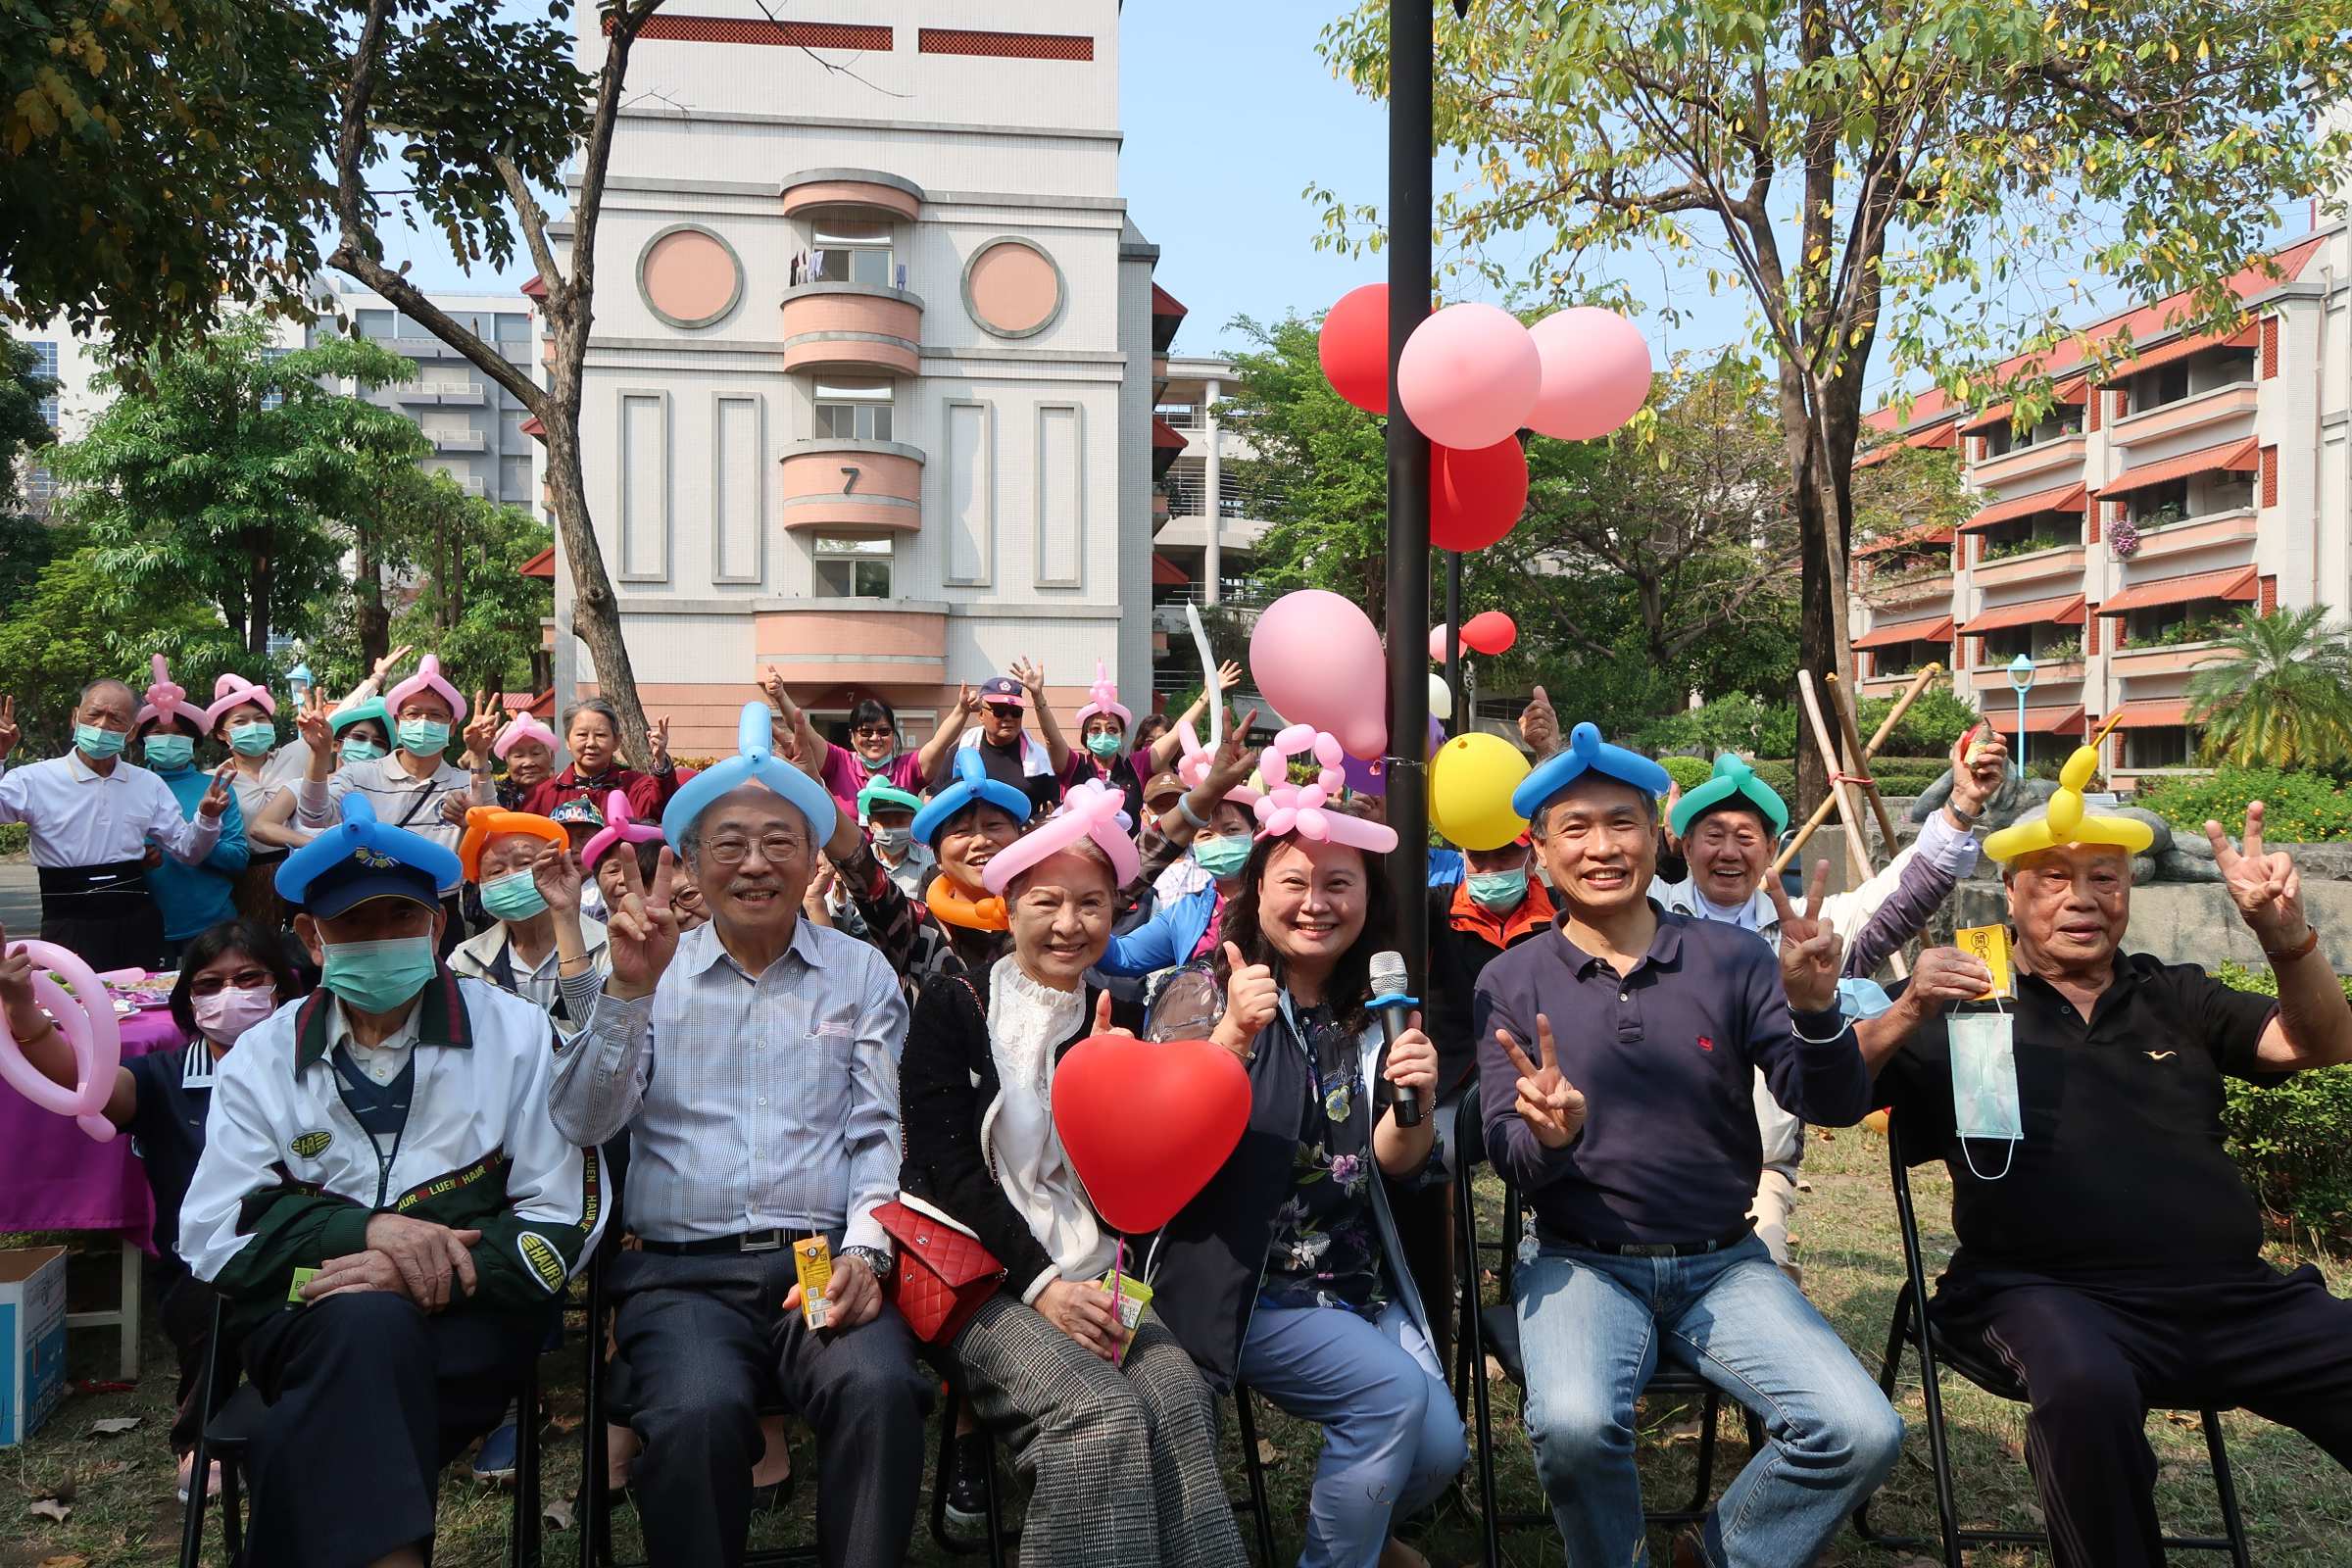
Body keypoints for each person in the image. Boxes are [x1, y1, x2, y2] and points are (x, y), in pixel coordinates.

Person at [1860, 748, 2352, 1568]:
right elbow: (1828, 1095)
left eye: (2106, 878)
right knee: (2085, 1385)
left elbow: (2321, 1044)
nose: (2082, 899)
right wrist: (1900, 1010)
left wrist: (2286, 936)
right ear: (2010, 892)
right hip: (2040, 1296)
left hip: (2231, 1300)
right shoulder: (1957, 998)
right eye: (2052, 878)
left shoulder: (2176, 992)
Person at [1474, 722, 1901, 1567]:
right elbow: (1506, 1152)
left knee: (1861, 1429)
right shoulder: (1511, 980)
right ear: (1539, 851)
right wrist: (1550, 1138)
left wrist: (1817, 1014)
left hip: (1725, 1261)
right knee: (1570, 1424)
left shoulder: (1732, 958)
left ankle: (1719, 1554)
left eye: (1622, 823)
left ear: (1655, 837)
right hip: (1577, 1258)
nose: (1602, 847)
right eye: (1576, 828)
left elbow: (1829, 1101)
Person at [548, 703, 931, 1568]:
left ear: (810, 859)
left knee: (880, 1390)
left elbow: (879, 1133)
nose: (755, 863)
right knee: (694, 1415)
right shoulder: (647, 964)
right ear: (687, 860)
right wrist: (627, 997)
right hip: (683, 1274)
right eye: (729, 844)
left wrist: (868, 1257)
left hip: (819, 1259)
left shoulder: (858, 971)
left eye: (778, 842)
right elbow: (582, 1122)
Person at [177, 795, 605, 1568]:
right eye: (354, 925)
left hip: (471, 1322)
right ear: (310, 938)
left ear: (437, 928)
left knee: (322, 1401)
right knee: (365, 1335)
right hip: (301, 1318)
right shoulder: (262, 1059)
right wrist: (367, 1232)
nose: (381, 940)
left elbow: (563, 1211)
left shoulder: (515, 1036)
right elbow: (213, 1231)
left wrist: (416, 1276)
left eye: (401, 921)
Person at [899, 798, 1249, 1568]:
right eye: (1046, 902)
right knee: (1099, 1415)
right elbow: (942, 1167)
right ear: (1008, 906)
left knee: (1180, 1398)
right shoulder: (955, 1007)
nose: (1068, 924)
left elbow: (1147, 1175)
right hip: (988, 1281)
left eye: (1090, 903)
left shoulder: (1122, 1013)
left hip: (1098, 1269)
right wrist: (1044, 1284)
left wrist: (1116, 1095)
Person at [1152, 801, 1467, 1568]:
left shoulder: (1380, 1009)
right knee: (1388, 1397)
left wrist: (1414, 1099)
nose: (1316, 903)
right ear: (1257, 889)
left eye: (1339, 883)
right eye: (1294, 881)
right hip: (1249, 1282)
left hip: (1354, 1278)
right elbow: (1160, 1142)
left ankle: (1364, 1528)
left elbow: (1397, 1160)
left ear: (1370, 898)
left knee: (1439, 1452)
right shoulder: (1198, 992)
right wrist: (1230, 1043)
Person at [1652, 730, 2007, 1280]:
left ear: (1771, 851)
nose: (1728, 851)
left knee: (1755, 1284)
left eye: (1746, 836)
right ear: (1686, 845)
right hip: (1642, 1161)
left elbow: (1903, 892)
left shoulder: (1810, 930)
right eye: (1712, 834)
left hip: (1753, 1173)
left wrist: (1962, 805)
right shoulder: (1645, 914)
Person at [2, 916, 303, 1501]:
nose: (230, 995)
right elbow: (83, 1082)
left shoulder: (319, 1067)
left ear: (281, 987)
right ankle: (202, 1443)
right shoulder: (163, 1078)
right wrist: (22, 1009)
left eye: (248, 978)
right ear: (188, 999)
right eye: (210, 984)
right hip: (207, 1270)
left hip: (313, 1255)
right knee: (212, 1301)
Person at [0, 678, 232, 970]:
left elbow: (189, 851)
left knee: (140, 1003)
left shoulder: (147, 783)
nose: (101, 726)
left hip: (136, 920)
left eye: (115, 719)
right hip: (67, 918)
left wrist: (207, 818)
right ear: (75, 718)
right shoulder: (34, 779)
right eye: (93, 715)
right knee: (73, 1004)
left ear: (131, 730)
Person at [131, 662, 250, 963]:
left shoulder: (216, 788)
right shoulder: (128, 787)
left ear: (193, 744)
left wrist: (195, 838)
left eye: (178, 734)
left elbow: (237, 858)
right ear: (143, 739)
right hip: (145, 925)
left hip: (212, 927)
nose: (167, 739)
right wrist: (137, 860)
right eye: (158, 732)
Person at [449, 807, 608, 1026]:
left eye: (524, 863)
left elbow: (606, 1035)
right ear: (481, 887)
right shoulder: (464, 961)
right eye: (496, 871)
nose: (511, 875)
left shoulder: (607, 946)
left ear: (558, 864)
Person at [209, 674, 318, 929]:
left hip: (302, 867)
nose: (253, 726)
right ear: (223, 734)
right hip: (247, 878)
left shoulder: (296, 754)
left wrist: (376, 679)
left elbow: (340, 717)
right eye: (241, 721)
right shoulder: (214, 780)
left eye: (260, 719)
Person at [925, 663, 1066, 816]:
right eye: (999, 711)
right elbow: (932, 800)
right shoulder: (960, 752)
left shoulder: (1040, 759)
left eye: (1015, 712)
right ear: (981, 716)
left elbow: (1055, 811)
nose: (1008, 718)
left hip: (1025, 839)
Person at [514, 697, 681, 818]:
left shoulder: (634, 786)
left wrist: (660, 762)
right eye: (582, 734)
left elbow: (663, 807)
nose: (591, 743)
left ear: (617, 741)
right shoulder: (544, 794)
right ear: (567, 741)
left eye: (600, 735)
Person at [858, 778, 931, 901]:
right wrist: (840, 890)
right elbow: (841, 914)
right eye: (884, 821)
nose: (892, 829)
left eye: (900, 821)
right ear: (870, 824)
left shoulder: (931, 863)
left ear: (913, 822)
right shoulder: (858, 862)